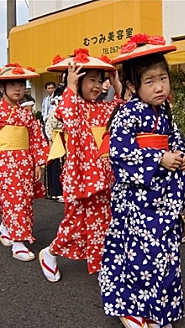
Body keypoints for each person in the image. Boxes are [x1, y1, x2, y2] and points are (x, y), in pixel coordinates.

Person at [98, 34, 185, 328]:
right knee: (140, 253)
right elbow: (120, 153)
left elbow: (175, 142)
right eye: (149, 81)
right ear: (133, 86)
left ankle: (160, 309)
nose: (160, 87)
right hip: (137, 199)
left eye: (163, 78)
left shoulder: (165, 113)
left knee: (164, 252)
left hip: (161, 195)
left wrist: (181, 157)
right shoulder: (127, 113)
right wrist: (157, 158)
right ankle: (131, 306)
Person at [38, 50, 122, 282]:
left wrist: (117, 85)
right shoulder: (73, 107)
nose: (97, 86)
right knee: (74, 222)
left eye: (100, 80)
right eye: (91, 80)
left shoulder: (105, 108)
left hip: (105, 173)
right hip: (82, 175)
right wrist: (71, 86)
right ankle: (50, 252)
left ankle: (104, 265)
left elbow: (123, 112)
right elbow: (64, 113)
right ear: (78, 81)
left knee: (104, 221)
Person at [0, 64, 49, 261]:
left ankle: (7, 226)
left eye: (21, 85)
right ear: (2, 89)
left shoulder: (27, 115)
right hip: (2, 163)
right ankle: (18, 242)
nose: (17, 89)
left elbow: (36, 140)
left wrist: (37, 163)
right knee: (13, 200)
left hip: (24, 162)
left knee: (24, 199)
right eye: (12, 85)